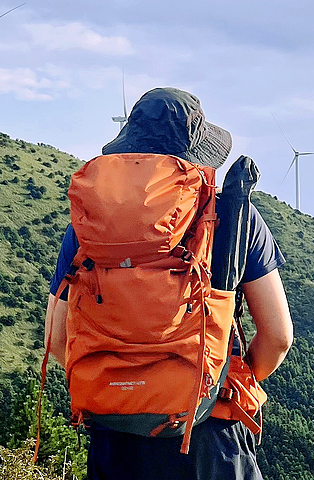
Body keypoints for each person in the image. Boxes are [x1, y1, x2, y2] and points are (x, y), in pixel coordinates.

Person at [46, 87, 293, 480]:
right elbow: (278, 336)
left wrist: (125, 387)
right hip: (206, 432)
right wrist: (212, 376)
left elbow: (57, 340)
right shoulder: (232, 213)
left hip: (115, 437)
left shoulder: (85, 227)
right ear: (194, 151)